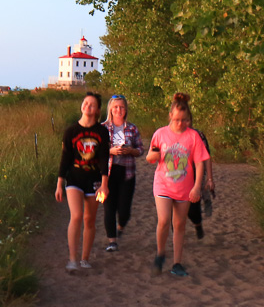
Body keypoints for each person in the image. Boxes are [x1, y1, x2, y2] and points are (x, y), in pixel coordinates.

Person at [146, 93, 209, 277]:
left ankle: (177, 263)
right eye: (177, 120)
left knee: (180, 224)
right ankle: (160, 254)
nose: (180, 123)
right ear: (170, 116)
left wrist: (197, 187)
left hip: (184, 187)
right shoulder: (160, 133)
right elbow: (150, 156)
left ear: (188, 119)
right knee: (164, 220)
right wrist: (154, 156)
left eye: (184, 120)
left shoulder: (193, 137)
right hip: (163, 184)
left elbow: (199, 162)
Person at [55, 92, 110, 273]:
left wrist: (104, 184)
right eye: (85, 103)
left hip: (94, 180)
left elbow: (103, 158)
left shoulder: (102, 132)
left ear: (97, 111)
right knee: (77, 216)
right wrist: (59, 182)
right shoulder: (71, 131)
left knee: (89, 220)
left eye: (92, 105)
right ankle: (72, 259)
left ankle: (85, 259)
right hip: (74, 178)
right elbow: (65, 158)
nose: (87, 107)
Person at [101, 94, 144, 252]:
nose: (118, 110)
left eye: (122, 107)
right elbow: (97, 150)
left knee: (124, 209)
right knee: (109, 207)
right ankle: (112, 240)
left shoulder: (132, 128)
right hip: (107, 173)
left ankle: (121, 226)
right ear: (110, 109)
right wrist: (110, 150)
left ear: (126, 110)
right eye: (115, 107)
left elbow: (140, 150)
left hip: (127, 172)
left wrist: (131, 150)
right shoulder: (103, 128)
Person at [186, 125, 215, 239]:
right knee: (175, 210)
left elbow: (206, 157)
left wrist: (210, 179)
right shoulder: (170, 134)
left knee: (193, 209)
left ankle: (198, 224)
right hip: (177, 178)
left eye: (185, 119)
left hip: (195, 175)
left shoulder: (198, 135)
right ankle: (177, 238)